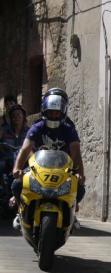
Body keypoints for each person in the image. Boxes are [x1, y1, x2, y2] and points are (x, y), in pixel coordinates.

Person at [11, 91, 85, 229]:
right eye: (51, 112)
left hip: (62, 169)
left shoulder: (69, 129)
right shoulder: (37, 127)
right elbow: (25, 149)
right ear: (45, 111)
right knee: (17, 185)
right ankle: (20, 211)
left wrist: (79, 173)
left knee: (79, 188)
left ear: (63, 112)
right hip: (38, 167)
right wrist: (17, 168)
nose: (54, 115)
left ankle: (72, 211)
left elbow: (76, 152)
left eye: (57, 113)